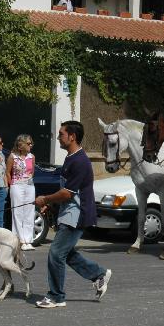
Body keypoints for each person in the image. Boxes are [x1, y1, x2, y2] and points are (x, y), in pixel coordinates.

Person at [34, 121, 112, 309]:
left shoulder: (80, 161)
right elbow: (65, 191)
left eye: (61, 134)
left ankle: (56, 296)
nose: (59, 136)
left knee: (55, 253)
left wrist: (45, 199)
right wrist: (51, 206)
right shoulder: (71, 158)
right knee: (65, 253)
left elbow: (68, 193)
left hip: (77, 214)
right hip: (67, 212)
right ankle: (98, 274)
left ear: (72, 137)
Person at [6, 134, 36, 251]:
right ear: (20, 145)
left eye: (31, 143)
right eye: (28, 143)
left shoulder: (31, 156)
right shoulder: (12, 157)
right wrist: (12, 184)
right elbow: (8, 172)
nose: (31, 145)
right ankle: (20, 239)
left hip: (29, 185)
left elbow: (32, 171)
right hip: (17, 185)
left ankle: (28, 240)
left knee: (29, 211)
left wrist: (29, 179)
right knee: (17, 212)